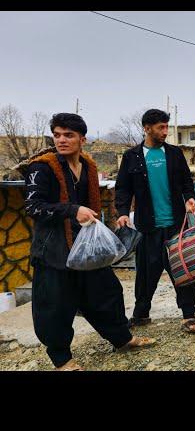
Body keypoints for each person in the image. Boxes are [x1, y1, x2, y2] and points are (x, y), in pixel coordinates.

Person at [24, 113, 155, 371]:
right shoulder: (42, 168)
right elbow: (33, 206)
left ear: (82, 139)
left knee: (106, 293)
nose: (61, 140)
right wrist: (72, 210)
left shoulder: (88, 166)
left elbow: (94, 204)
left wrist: (116, 220)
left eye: (68, 135)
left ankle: (122, 338)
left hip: (86, 248)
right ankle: (61, 359)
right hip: (54, 252)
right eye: (57, 135)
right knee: (56, 306)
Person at [115, 109, 195, 334]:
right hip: (148, 227)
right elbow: (123, 188)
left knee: (183, 271)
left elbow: (186, 182)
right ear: (146, 128)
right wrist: (122, 212)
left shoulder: (174, 154)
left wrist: (190, 198)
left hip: (176, 226)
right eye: (160, 127)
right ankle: (141, 314)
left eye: (166, 127)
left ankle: (188, 315)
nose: (165, 131)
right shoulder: (132, 156)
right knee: (145, 274)